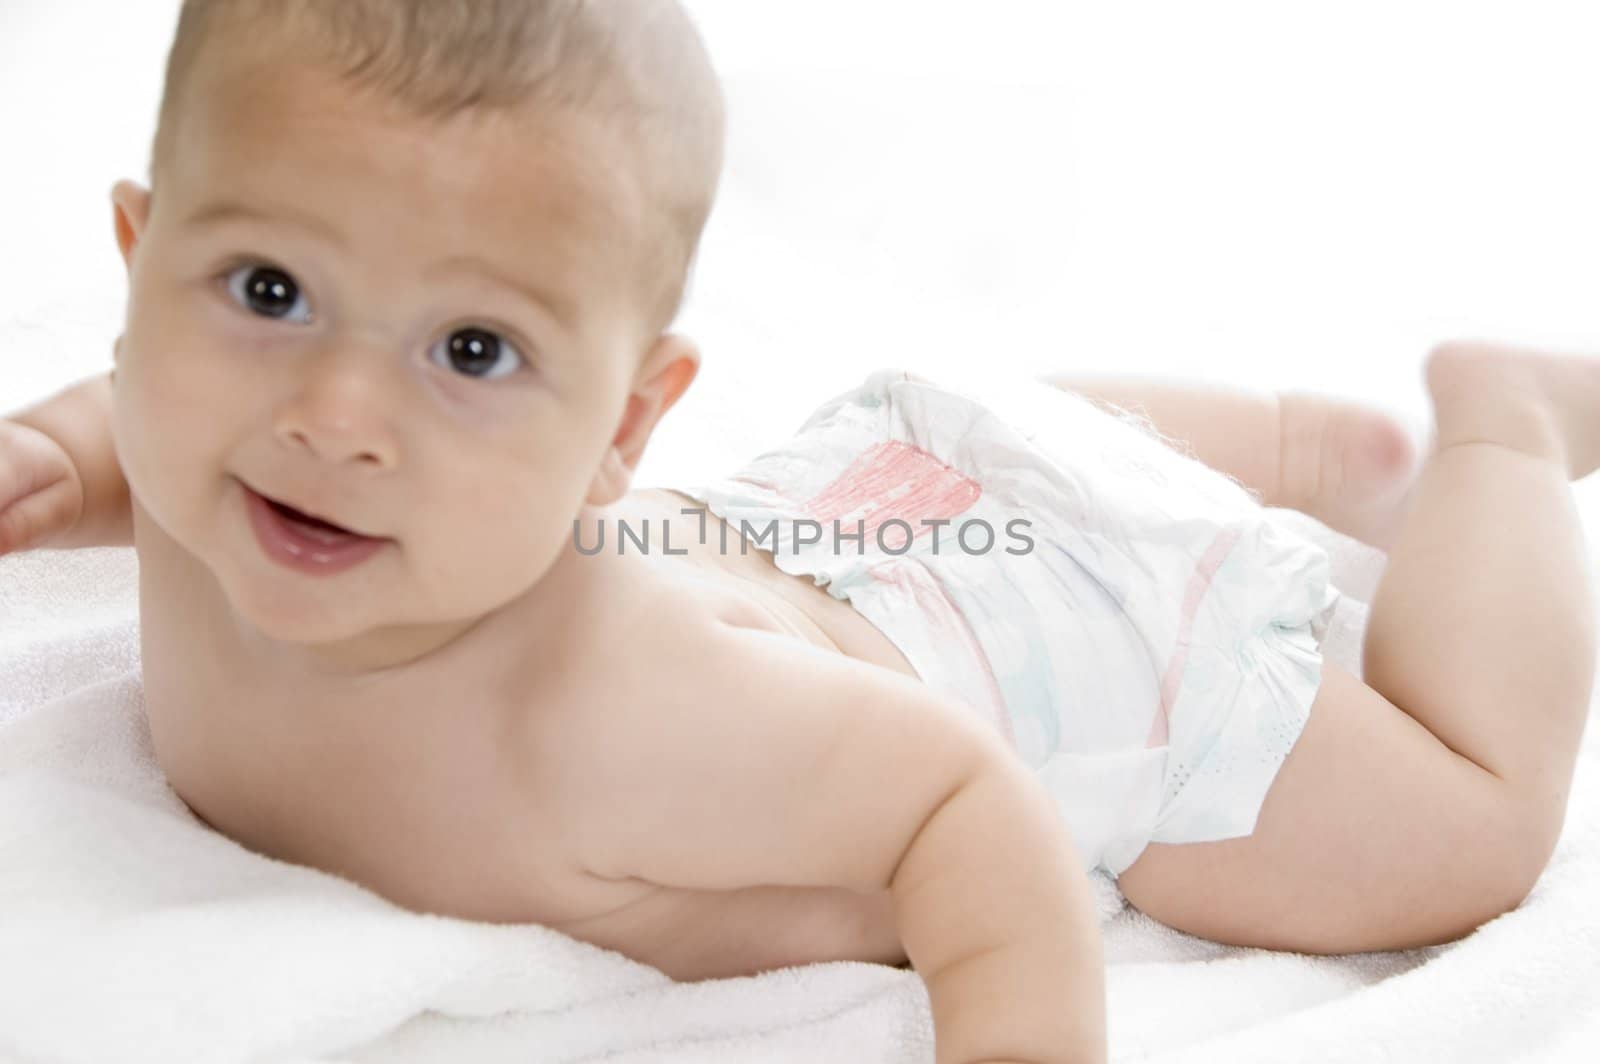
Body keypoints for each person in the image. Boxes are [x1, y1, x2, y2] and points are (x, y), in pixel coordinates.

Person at [1, 3, 1595, 1061]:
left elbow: (964, 805)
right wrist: (57, 465)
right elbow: (143, 413)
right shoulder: (245, 473)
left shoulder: (632, 714)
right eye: (269, 292)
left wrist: (1018, 1034)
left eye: (470, 351)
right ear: (143, 265)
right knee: (1018, 484)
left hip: (1064, 646)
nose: (333, 415)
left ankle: (1497, 431)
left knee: (1464, 835)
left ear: (627, 424)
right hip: (873, 500)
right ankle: (1305, 442)